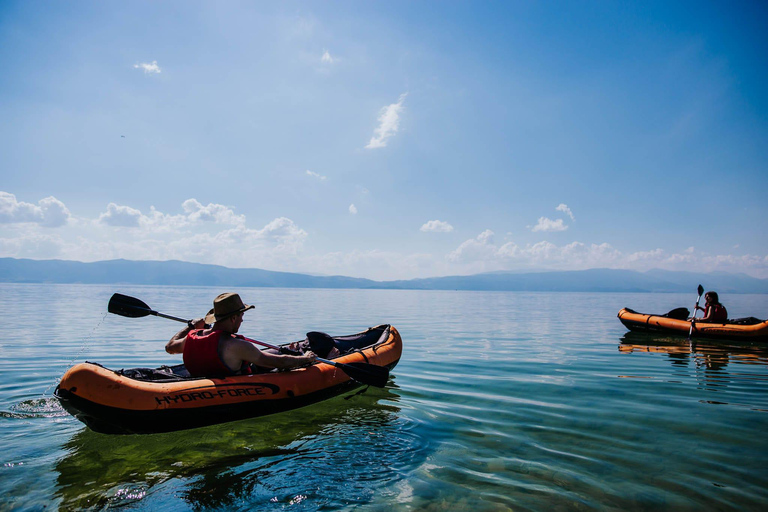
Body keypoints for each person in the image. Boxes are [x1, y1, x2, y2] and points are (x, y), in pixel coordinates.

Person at [166, 292, 316, 377]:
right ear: (233, 318)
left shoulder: (193, 336)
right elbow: (277, 362)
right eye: (241, 316)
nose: (242, 320)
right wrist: (305, 359)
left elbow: (170, 347)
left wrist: (190, 326)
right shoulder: (236, 345)